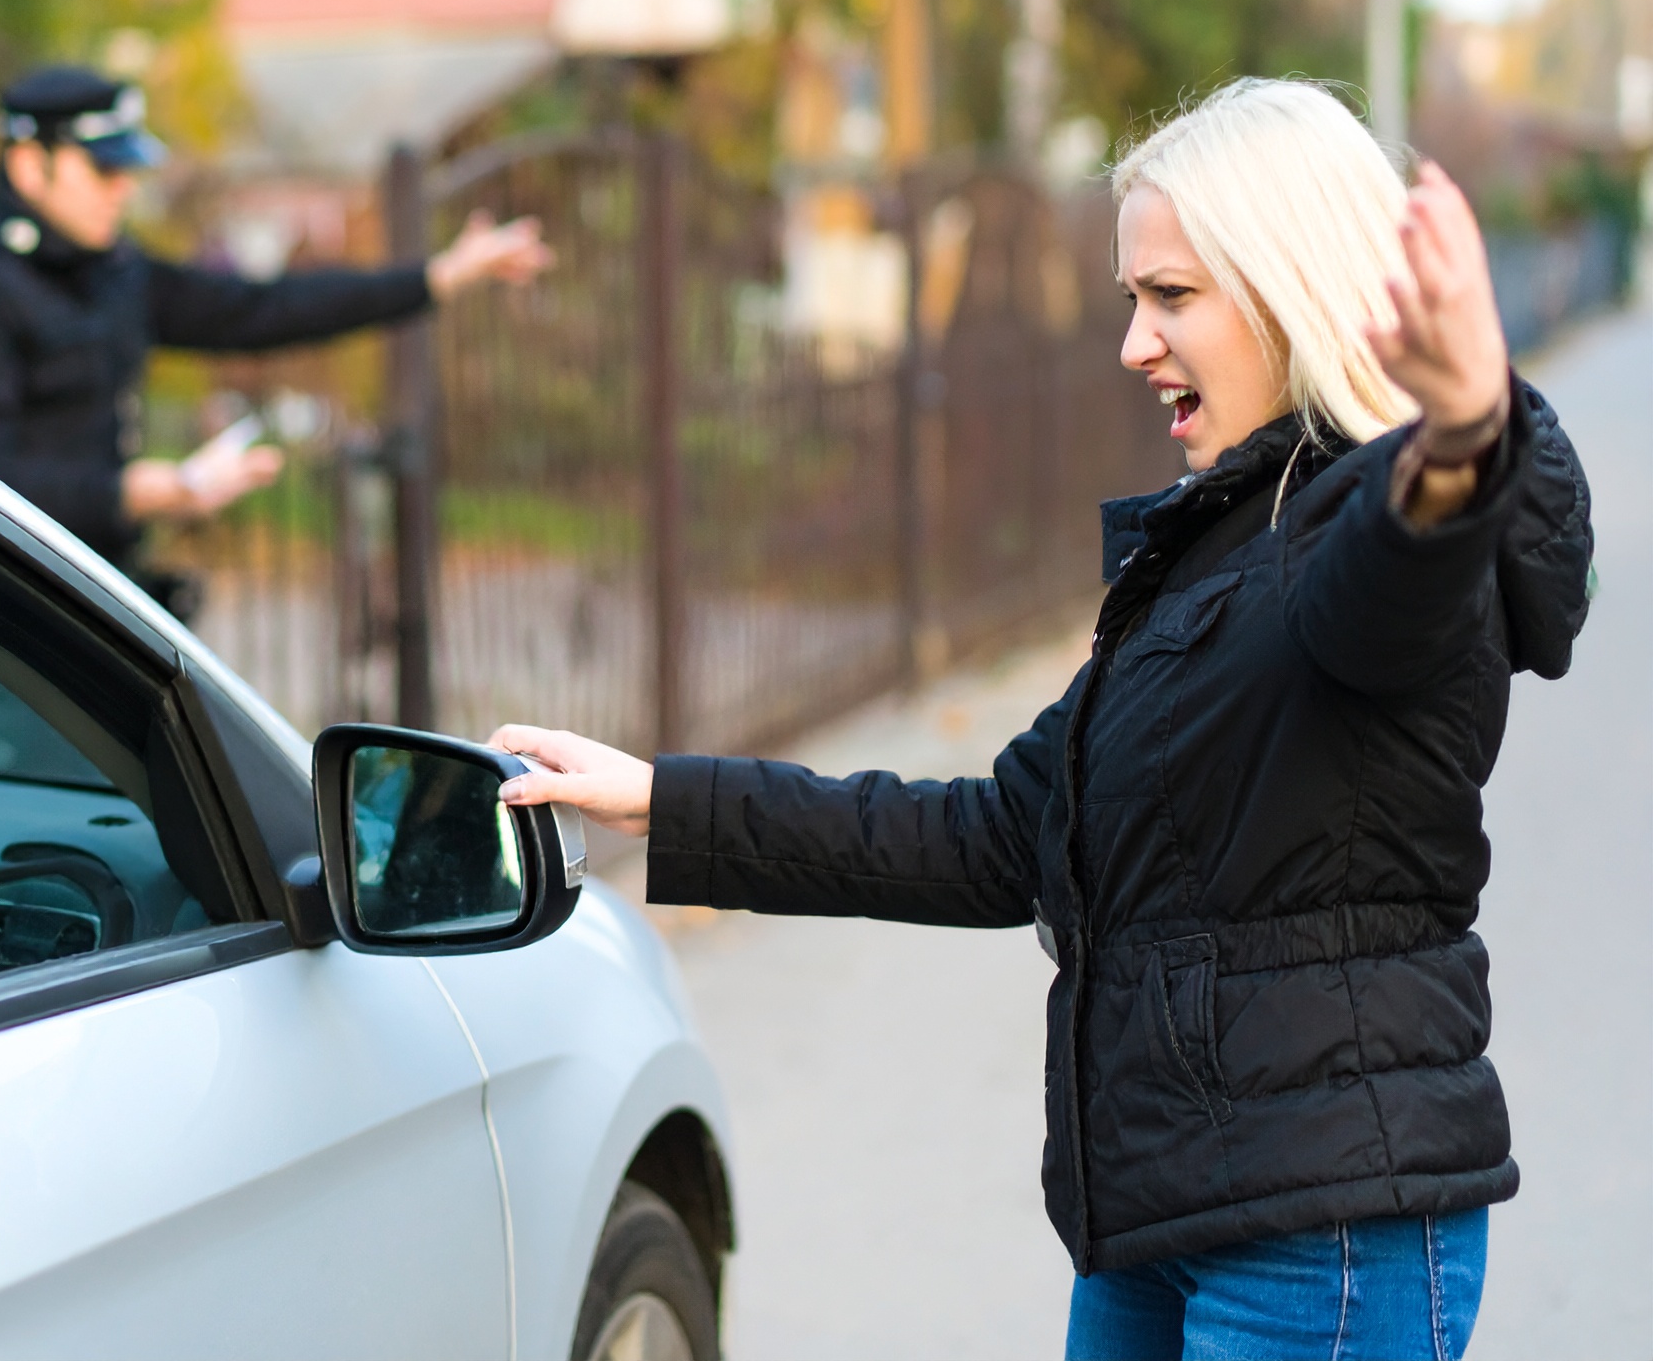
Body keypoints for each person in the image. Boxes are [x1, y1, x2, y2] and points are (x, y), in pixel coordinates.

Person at [492, 79, 1594, 1359]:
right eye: (1133, 296)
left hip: (1323, 1233)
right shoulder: (1216, 545)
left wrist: (1461, 438)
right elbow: (999, 834)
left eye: (1172, 295)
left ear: (1289, 284)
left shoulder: (1368, 520)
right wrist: (662, 798)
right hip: (1164, 1211)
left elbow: (1406, 567)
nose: (1134, 343)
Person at [0, 65, 551, 601]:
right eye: (102, 170)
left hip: (96, 588)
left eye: (126, 172)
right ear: (29, 167)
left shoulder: (111, 270)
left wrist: (435, 278)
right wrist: (136, 493)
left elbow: (260, 309)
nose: (122, 191)